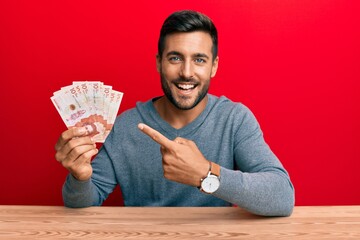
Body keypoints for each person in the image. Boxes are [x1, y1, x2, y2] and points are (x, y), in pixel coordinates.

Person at [55, 10, 295, 216]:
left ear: (214, 66)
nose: (186, 72)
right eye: (175, 58)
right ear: (159, 63)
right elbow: (82, 203)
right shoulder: (127, 125)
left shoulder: (234, 119)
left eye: (199, 59)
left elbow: (282, 196)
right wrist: (81, 178)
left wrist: (205, 174)